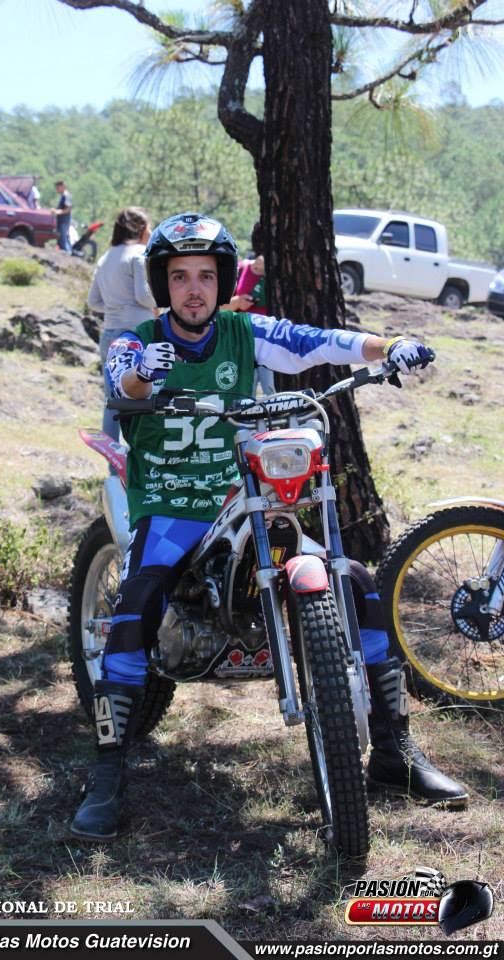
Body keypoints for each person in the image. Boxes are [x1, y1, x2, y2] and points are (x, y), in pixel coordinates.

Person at [70, 212, 468, 841]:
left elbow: (316, 341)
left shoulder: (245, 331)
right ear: (163, 283)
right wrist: (148, 372)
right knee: (137, 601)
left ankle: (395, 752)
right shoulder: (136, 341)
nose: (194, 289)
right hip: (169, 503)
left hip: (241, 493)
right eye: (181, 277)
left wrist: (386, 346)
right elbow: (125, 381)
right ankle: (108, 772)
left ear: (223, 280)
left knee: (357, 581)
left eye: (206, 276)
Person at [87, 207, 156, 444]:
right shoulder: (139, 253)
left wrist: (115, 307)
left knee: (112, 401)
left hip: (109, 334)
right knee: (144, 397)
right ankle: (140, 455)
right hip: (138, 335)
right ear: (141, 228)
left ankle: (112, 460)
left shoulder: (105, 257)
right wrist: (164, 301)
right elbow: (143, 297)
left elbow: (93, 302)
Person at [225, 221, 275, 395]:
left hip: (272, 341)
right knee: (247, 390)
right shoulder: (241, 269)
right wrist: (238, 302)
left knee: (273, 391)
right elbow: (218, 308)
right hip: (243, 339)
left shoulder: (285, 271)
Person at [53, 179, 73, 253]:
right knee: (61, 240)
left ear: (62, 187)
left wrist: (57, 212)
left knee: (63, 240)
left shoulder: (66, 195)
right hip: (61, 221)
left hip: (64, 221)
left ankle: (68, 254)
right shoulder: (63, 196)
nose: (57, 190)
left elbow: (68, 209)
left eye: (58, 188)